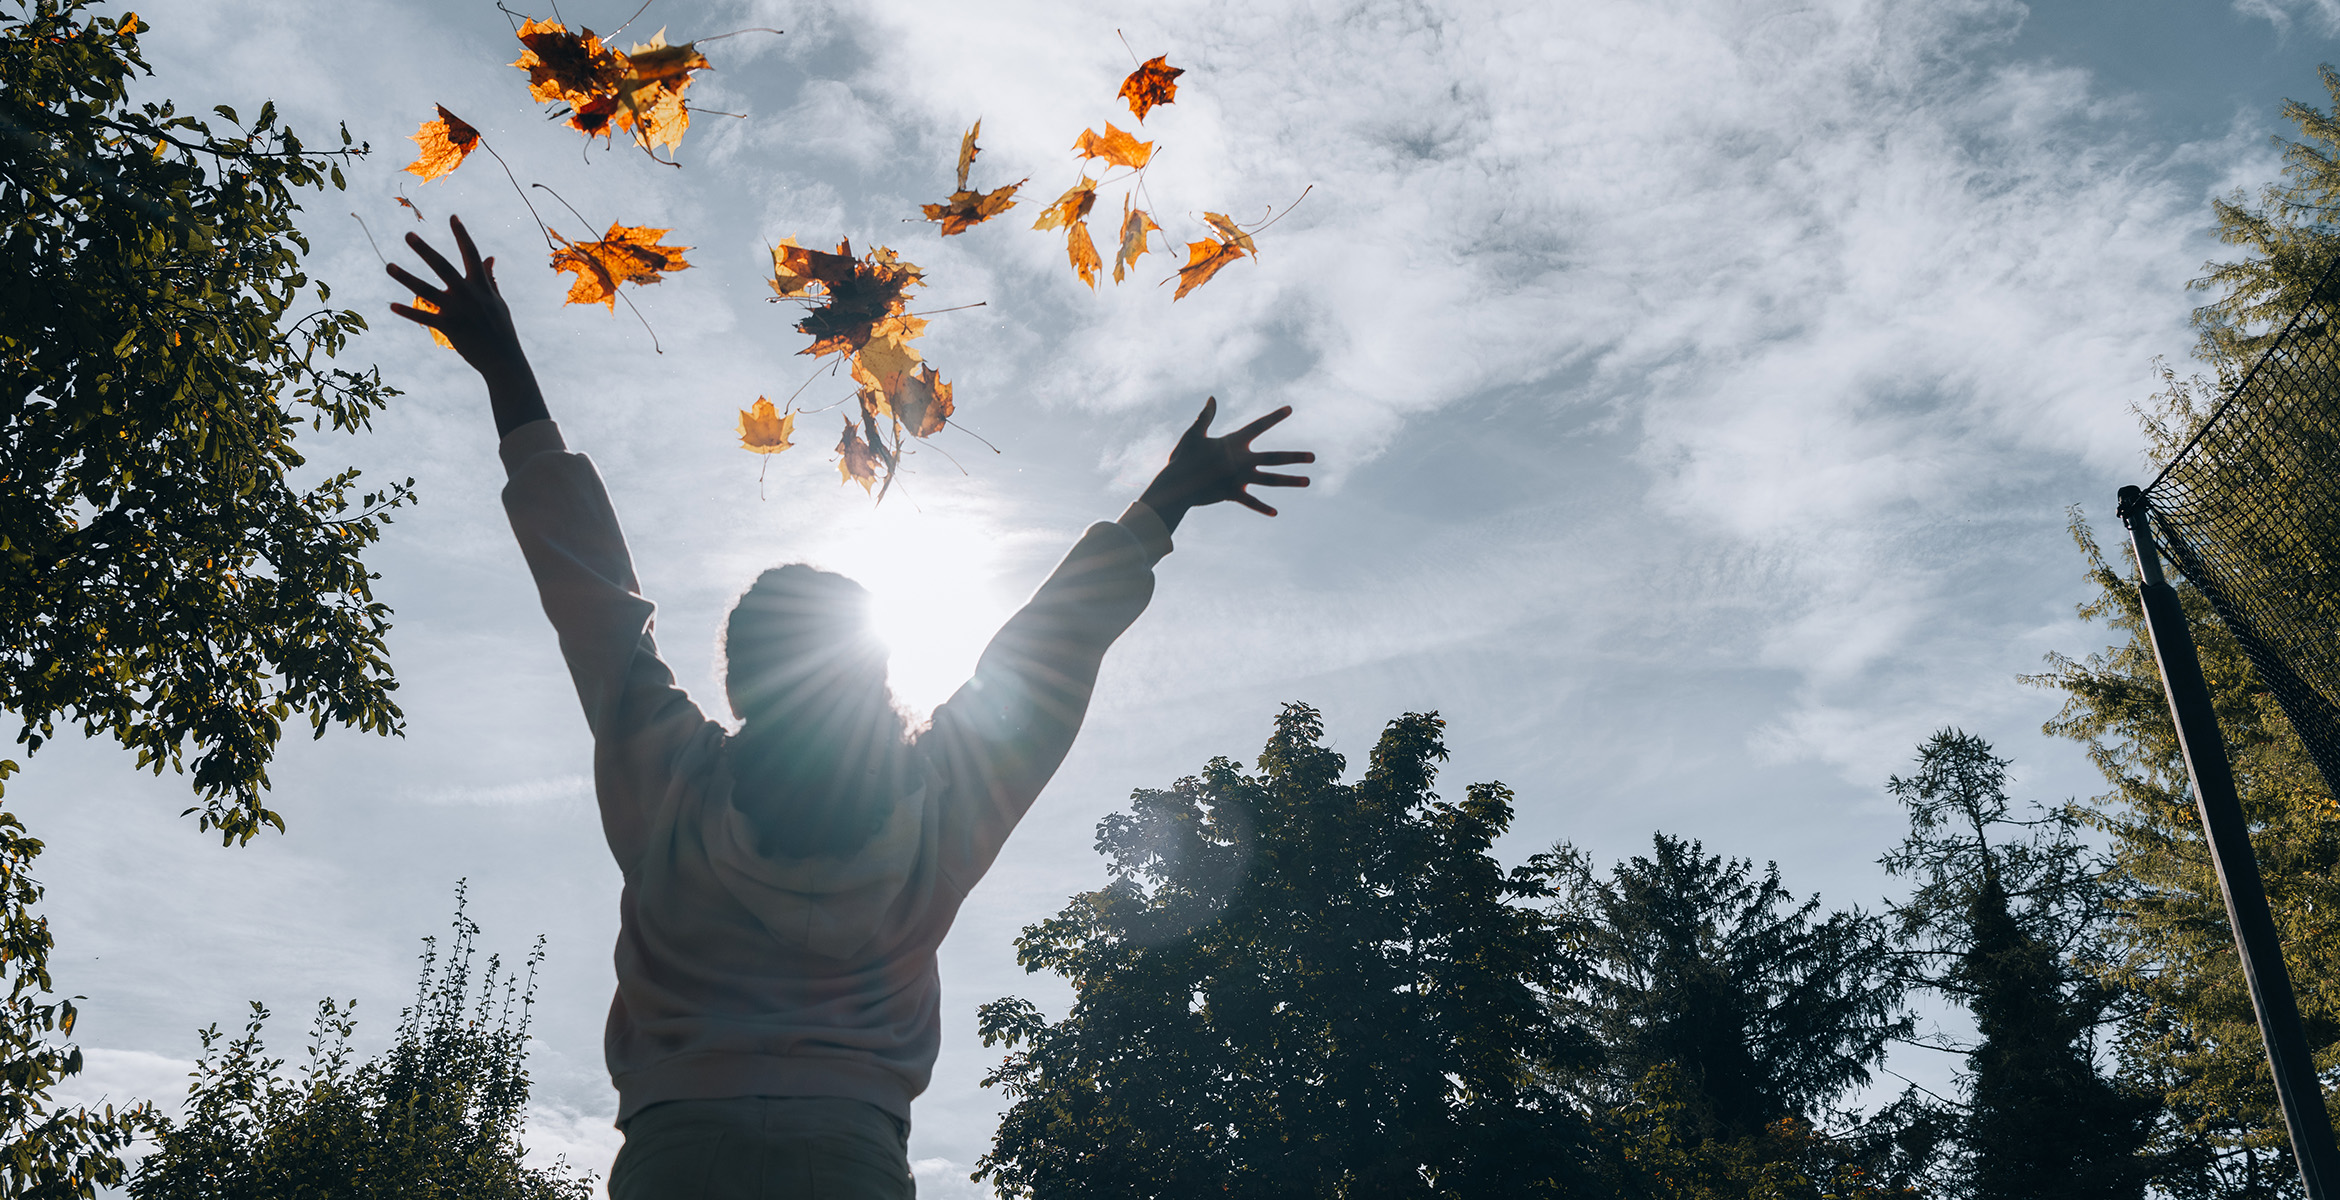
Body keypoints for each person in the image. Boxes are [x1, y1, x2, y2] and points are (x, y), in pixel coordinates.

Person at [387, 216, 1314, 1198]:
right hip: (848, 1159)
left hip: (678, 1156)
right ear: (877, 673)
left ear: (741, 685)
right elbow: (1049, 649)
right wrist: (1164, 498)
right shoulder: (939, 808)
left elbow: (593, 598)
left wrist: (503, 369)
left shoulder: (674, 784)